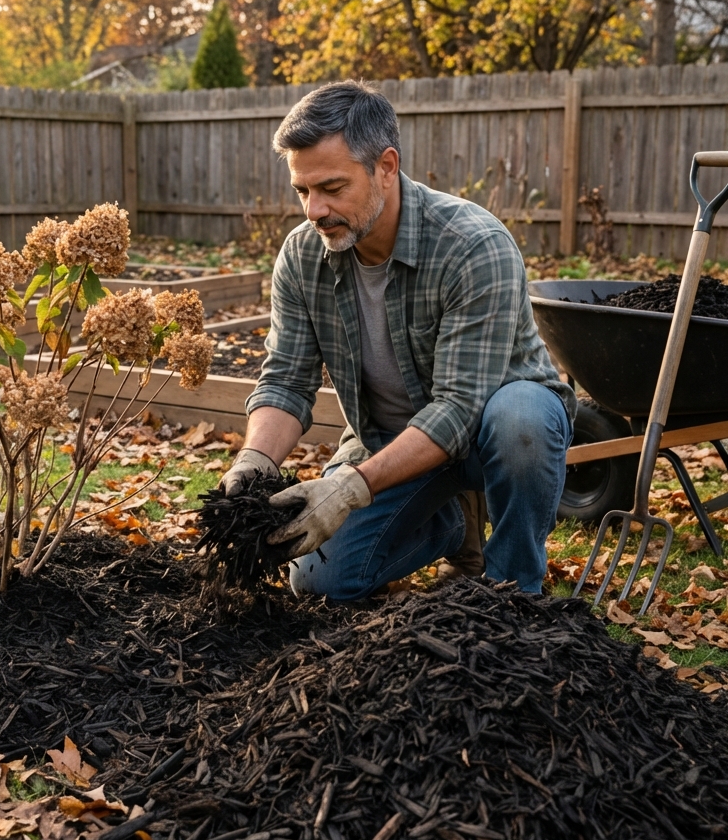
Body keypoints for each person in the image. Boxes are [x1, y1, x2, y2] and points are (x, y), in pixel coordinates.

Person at [221, 80, 576, 600]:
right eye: (303, 191)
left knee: (521, 418)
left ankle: (513, 588)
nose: (313, 210)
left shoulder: (473, 246)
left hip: (488, 434)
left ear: (386, 167)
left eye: (332, 188)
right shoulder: (302, 256)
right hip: (388, 439)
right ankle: (449, 521)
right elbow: (285, 381)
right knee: (321, 581)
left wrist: (350, 487)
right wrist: (255, 463)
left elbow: (458, 408)